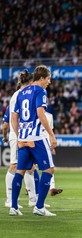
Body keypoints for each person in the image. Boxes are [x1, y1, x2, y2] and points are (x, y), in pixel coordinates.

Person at [10, 65, 57, 216]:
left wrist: (19, 136)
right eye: (48, 79)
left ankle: (14, 207)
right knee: (49, 169)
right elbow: (40, 113)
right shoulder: (40, 91)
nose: (49, 82)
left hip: (23, 138)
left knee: (20, 171)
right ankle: (39, 207)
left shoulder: (21, 92)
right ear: (41, 78)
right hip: (36, 137)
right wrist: (51, 134)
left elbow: (14, 117)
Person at [2, 70, 37, 208]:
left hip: (24, 134)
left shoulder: (19, 95)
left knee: (29, 167)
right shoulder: (18, 96)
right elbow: (13, 119)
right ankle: (9, 199)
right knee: (15, 165)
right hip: (18, 134)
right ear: (30, 82)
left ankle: (33, 199)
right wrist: (16, 136)